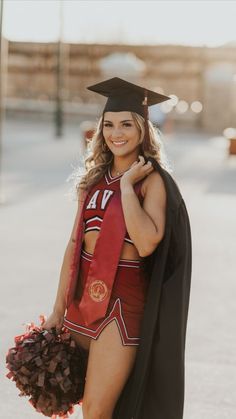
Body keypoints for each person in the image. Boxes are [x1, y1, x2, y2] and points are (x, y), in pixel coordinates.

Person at [42, 77, 192, 419]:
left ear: (142, 129)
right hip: (84, 294)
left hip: (123, 303)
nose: (116, 133)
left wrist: (126, 187)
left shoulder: (153, 180)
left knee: (97, 408)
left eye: (126, 124)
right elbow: (73, 244)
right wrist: (57, 309)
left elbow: (146, 241)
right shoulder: (92, 179)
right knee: (84, 406)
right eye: (108, 125)